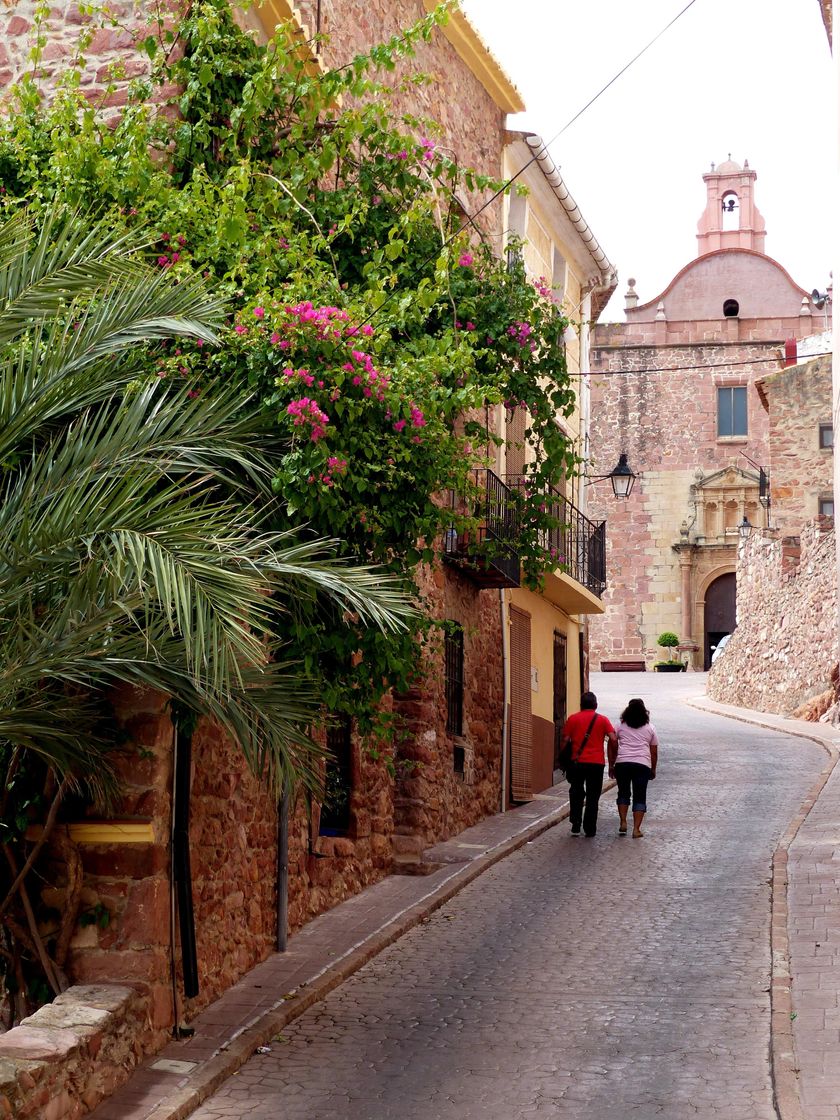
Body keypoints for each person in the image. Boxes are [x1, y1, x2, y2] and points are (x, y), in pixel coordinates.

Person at [561, 692, 617, 838]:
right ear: (596, 705)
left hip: (577, 762)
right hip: (596, 763)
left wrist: (563, 758)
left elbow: (565, 740)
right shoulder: (603, 720)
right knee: (593, 796)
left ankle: (576, 824)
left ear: (581, 705)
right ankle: (590, 828)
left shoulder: (573, 719)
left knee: (576, 792)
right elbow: (613, 738)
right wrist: (612, 761)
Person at [608, 697, 659, 838]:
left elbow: (612, 743)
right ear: (644, 712)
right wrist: (653, 769)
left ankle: (623, 821)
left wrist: (611, 764)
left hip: (622, 763)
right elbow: (653, 752)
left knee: (623, 793)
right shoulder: (650, 728)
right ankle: (636, 829)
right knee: (640, 796)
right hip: (642, 765)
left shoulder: (619, 726)